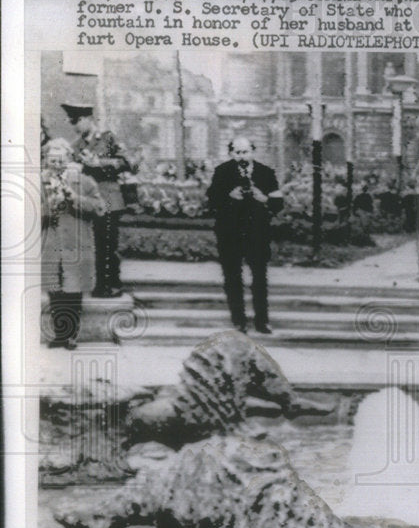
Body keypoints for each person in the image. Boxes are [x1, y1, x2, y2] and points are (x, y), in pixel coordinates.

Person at [126, 330, 331, 450]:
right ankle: (289, 403)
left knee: (235, 348)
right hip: (200, 413)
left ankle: (287, 403)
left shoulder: (213, 383)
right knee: (236, 348)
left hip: (200, 404)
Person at [206, 137, 283, 334]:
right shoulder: (222, 172)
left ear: (253, 152)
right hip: (230, 233)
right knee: (232, 277)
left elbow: (278, 203)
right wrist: (228, 195)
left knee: (259, 277)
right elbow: (211, 200)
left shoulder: (266, 173)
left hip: (257, 233)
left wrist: (263, 197)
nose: (242, 156)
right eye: (237, 153)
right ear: (231, 153)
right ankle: (238, 320)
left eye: (245, 152)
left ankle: (262, 320)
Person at [61, 102, 136, 298]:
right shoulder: (75, 146)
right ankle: (94, 283)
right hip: (86, 201)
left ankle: (111, 284)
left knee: (107, 244)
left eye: (76, 121)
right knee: (89, 244)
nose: (74, 126)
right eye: (71, 122)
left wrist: (100, 163)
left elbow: (129, 163)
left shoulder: (108, 138)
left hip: (109, 198)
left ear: (87, 119)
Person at [40, 139, 108, 348]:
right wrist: (45, 210)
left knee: (73, 289)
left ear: (69, 159)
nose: (56, 165)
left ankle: (71, 334)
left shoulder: (84, 182)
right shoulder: (38, 183)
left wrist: (74, 197)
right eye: (52, 160)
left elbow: (99, 209)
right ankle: (59, 333)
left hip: (76, 243)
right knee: (55, 288)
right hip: (51, 243)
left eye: (61, 160)